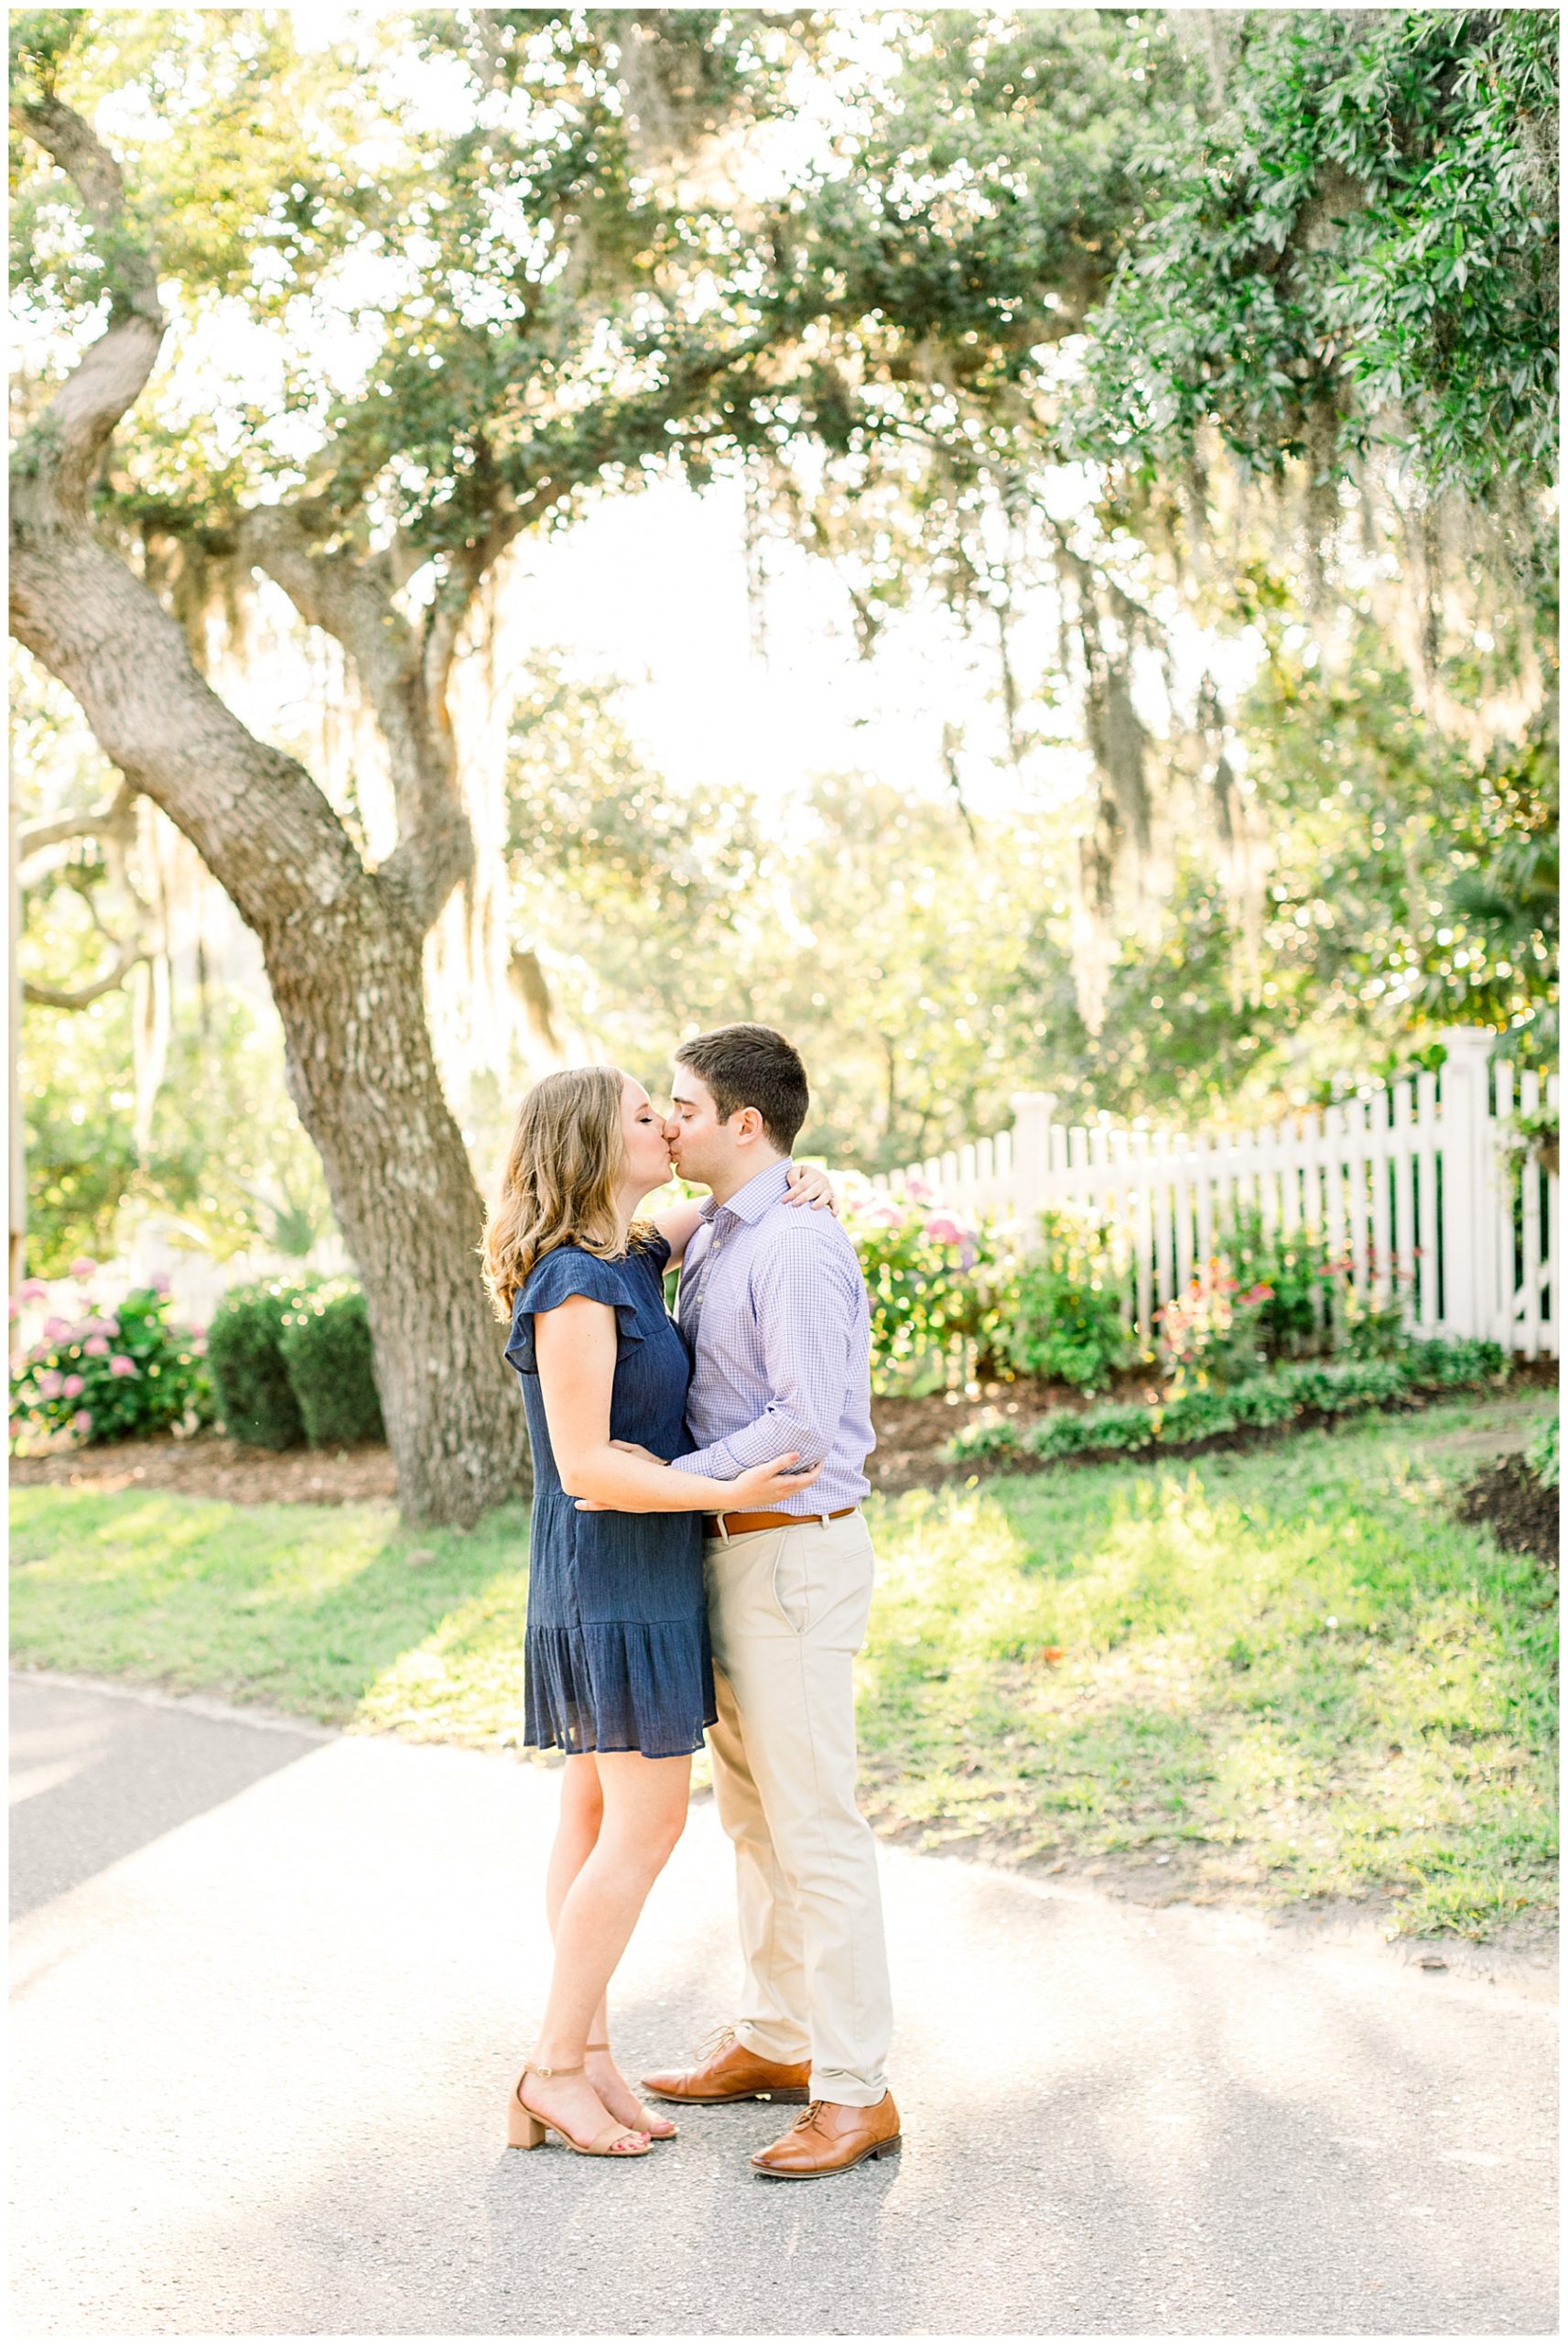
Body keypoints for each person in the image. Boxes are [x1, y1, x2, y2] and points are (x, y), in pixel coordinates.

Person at [481, 1063, 835, 2162]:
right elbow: (589, 1466)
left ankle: (585, 2059)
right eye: (648, 1115)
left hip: (633, 1565)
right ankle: (549, 2066)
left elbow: (731, 1200)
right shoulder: (575, 1287)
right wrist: (721, 1491)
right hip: (612, 1570)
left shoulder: (632, 1254)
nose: (670, 1127)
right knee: (645, 1825)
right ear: (596, 1144)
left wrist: (807, 1179)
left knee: (590, 1818)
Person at [633, 1024, 900, 2180]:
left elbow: (803, 1422)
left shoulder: (791, 1246)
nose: (668, 1120)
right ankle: (778, 2038)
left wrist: (650, 1487)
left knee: (815, 1826)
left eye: (683, 1105)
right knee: (753, 1821)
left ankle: (856, 2090)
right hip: (734, 1553)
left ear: (746, 1122)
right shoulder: (727, 1233)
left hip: (790, 1554)